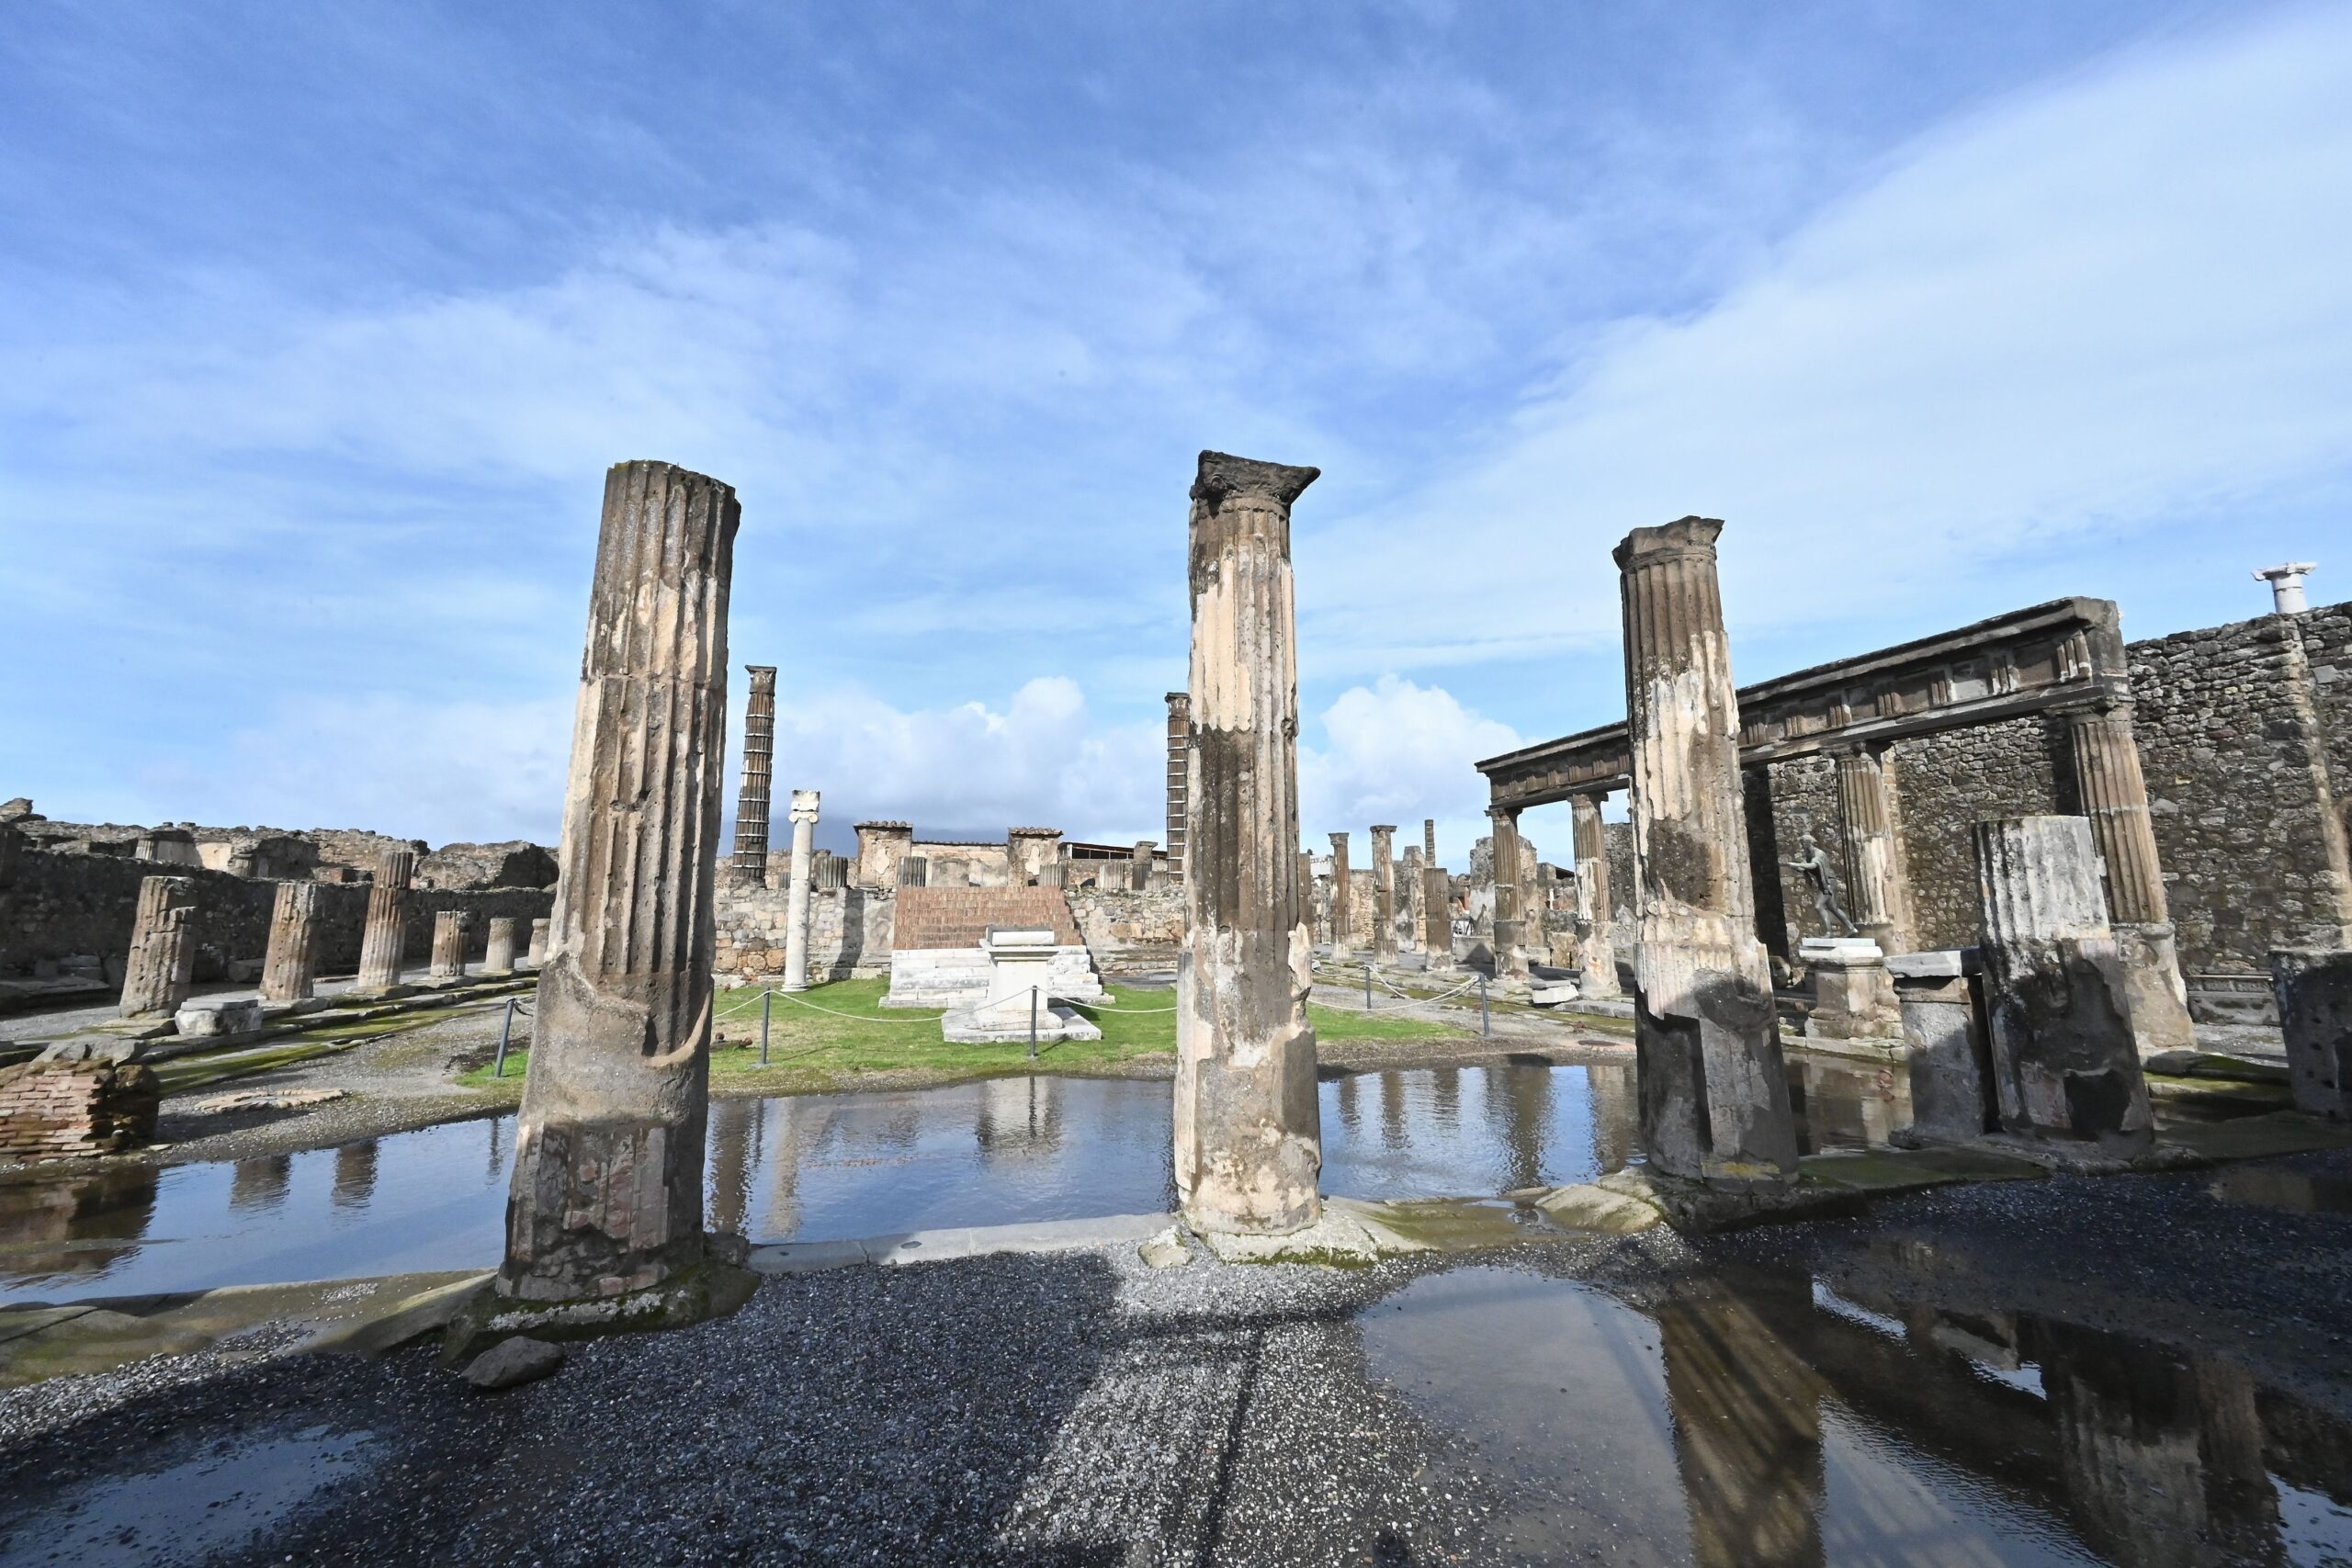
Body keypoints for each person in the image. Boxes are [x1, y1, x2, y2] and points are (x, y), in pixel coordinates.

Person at [1782, 830, 1857, 937]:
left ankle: (1829, 932)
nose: (1803, 846)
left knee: (1818, 906)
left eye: (1804, 843)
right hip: (1826, 883)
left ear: (1809, 843)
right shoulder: (1809, 855)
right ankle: (1851, 928)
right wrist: (1794, 866)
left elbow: (1813, 865)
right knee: (1833, 908)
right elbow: (1802, 866)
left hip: (1829, 882)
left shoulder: (1819, 854)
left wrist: (1795, 864)